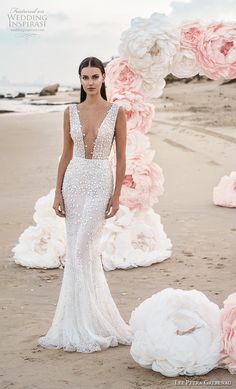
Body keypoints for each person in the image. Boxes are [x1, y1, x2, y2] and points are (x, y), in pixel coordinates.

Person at [37, 56, 133, 353]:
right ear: (80, 80)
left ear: (104, 78)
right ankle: (80, 321)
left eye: (95, 76)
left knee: (81, 249)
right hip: (74, 180)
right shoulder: (70, 112)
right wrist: (57, 193)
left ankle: (92, 322)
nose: (90, 82)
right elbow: (65, 154)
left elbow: (120, 158)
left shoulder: (117, 112)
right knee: (82, 251)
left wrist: (116, 195)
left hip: (100, 180)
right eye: (85, 77)